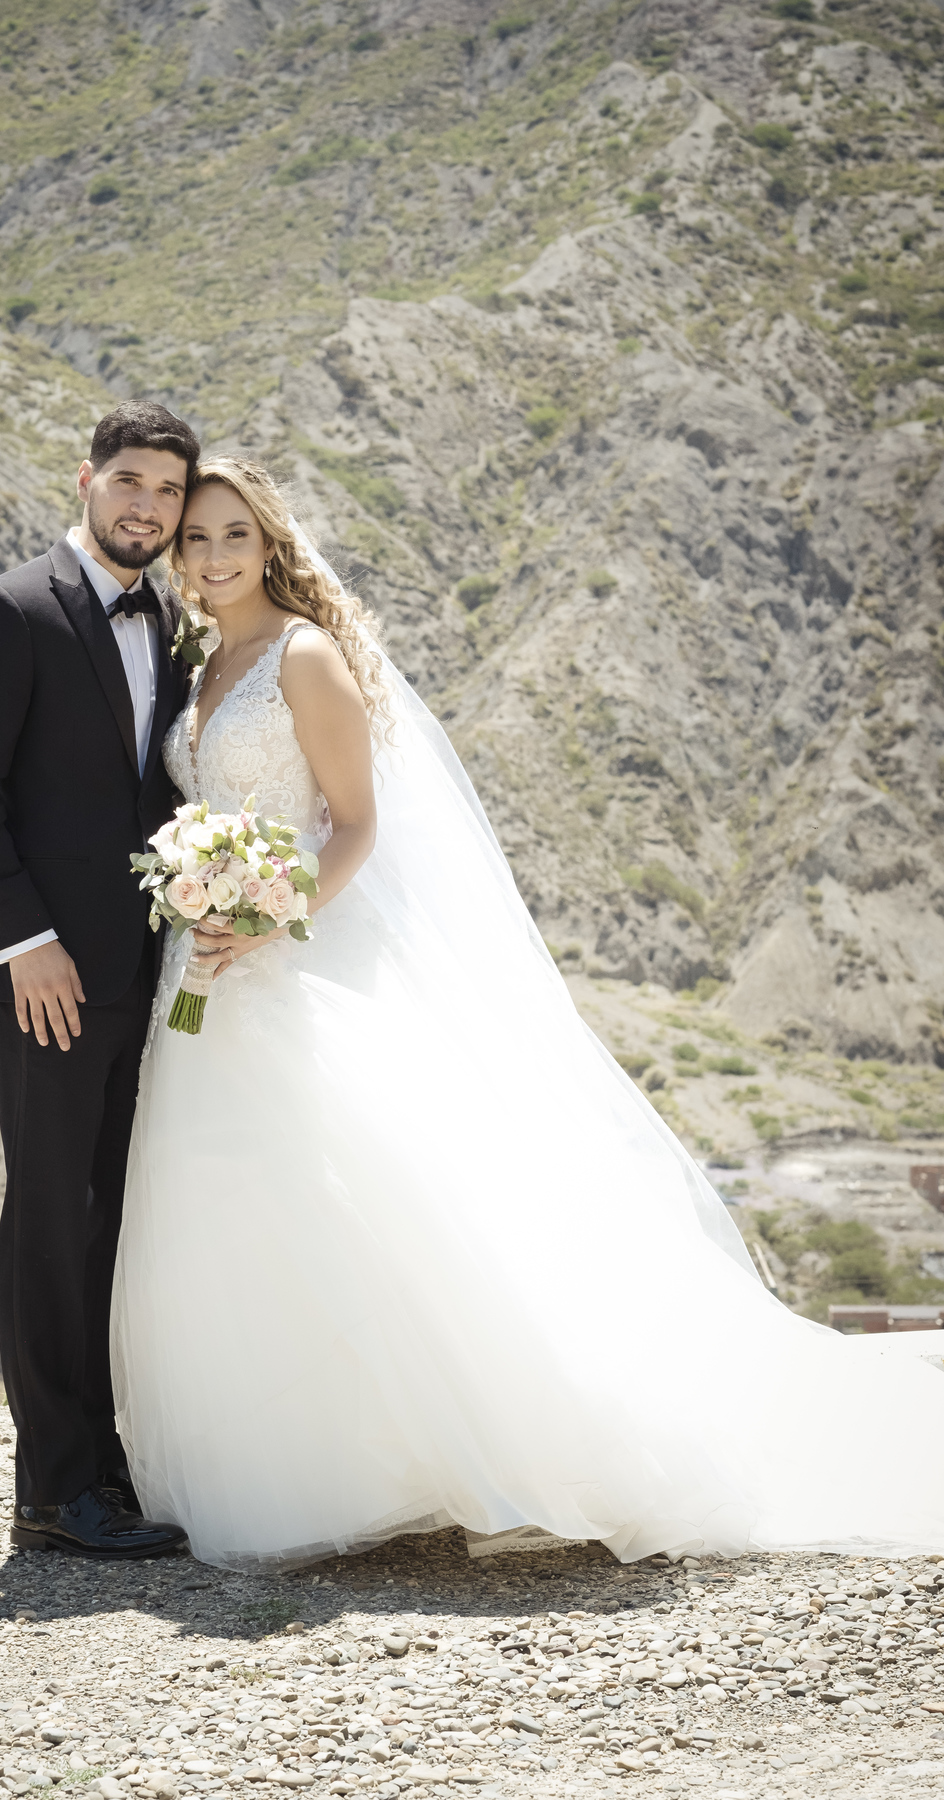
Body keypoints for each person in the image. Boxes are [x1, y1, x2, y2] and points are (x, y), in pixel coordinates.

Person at [110, 454, 944, 1571]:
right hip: (203, 968)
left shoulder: (305, 659)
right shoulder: (207, 662)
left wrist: (274, 914)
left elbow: (353, 826)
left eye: (233, 538)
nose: (211, 559)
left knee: (376, 1200)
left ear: (271, 546)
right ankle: (314, 1461)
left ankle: (487, 1448)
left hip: (296, 957)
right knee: (235, 1204)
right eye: (195, 541)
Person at [0, 400, 199, 1560]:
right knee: (51, 1217)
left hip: (154, 964)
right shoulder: (15, 607)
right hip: (42, 972)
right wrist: (23, 938)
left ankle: (105, 1466)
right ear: (85, 480)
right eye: (129, 482)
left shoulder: (180, 619)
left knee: (116, 1219)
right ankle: (51, 1494)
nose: (147, 506)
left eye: (169, 492)